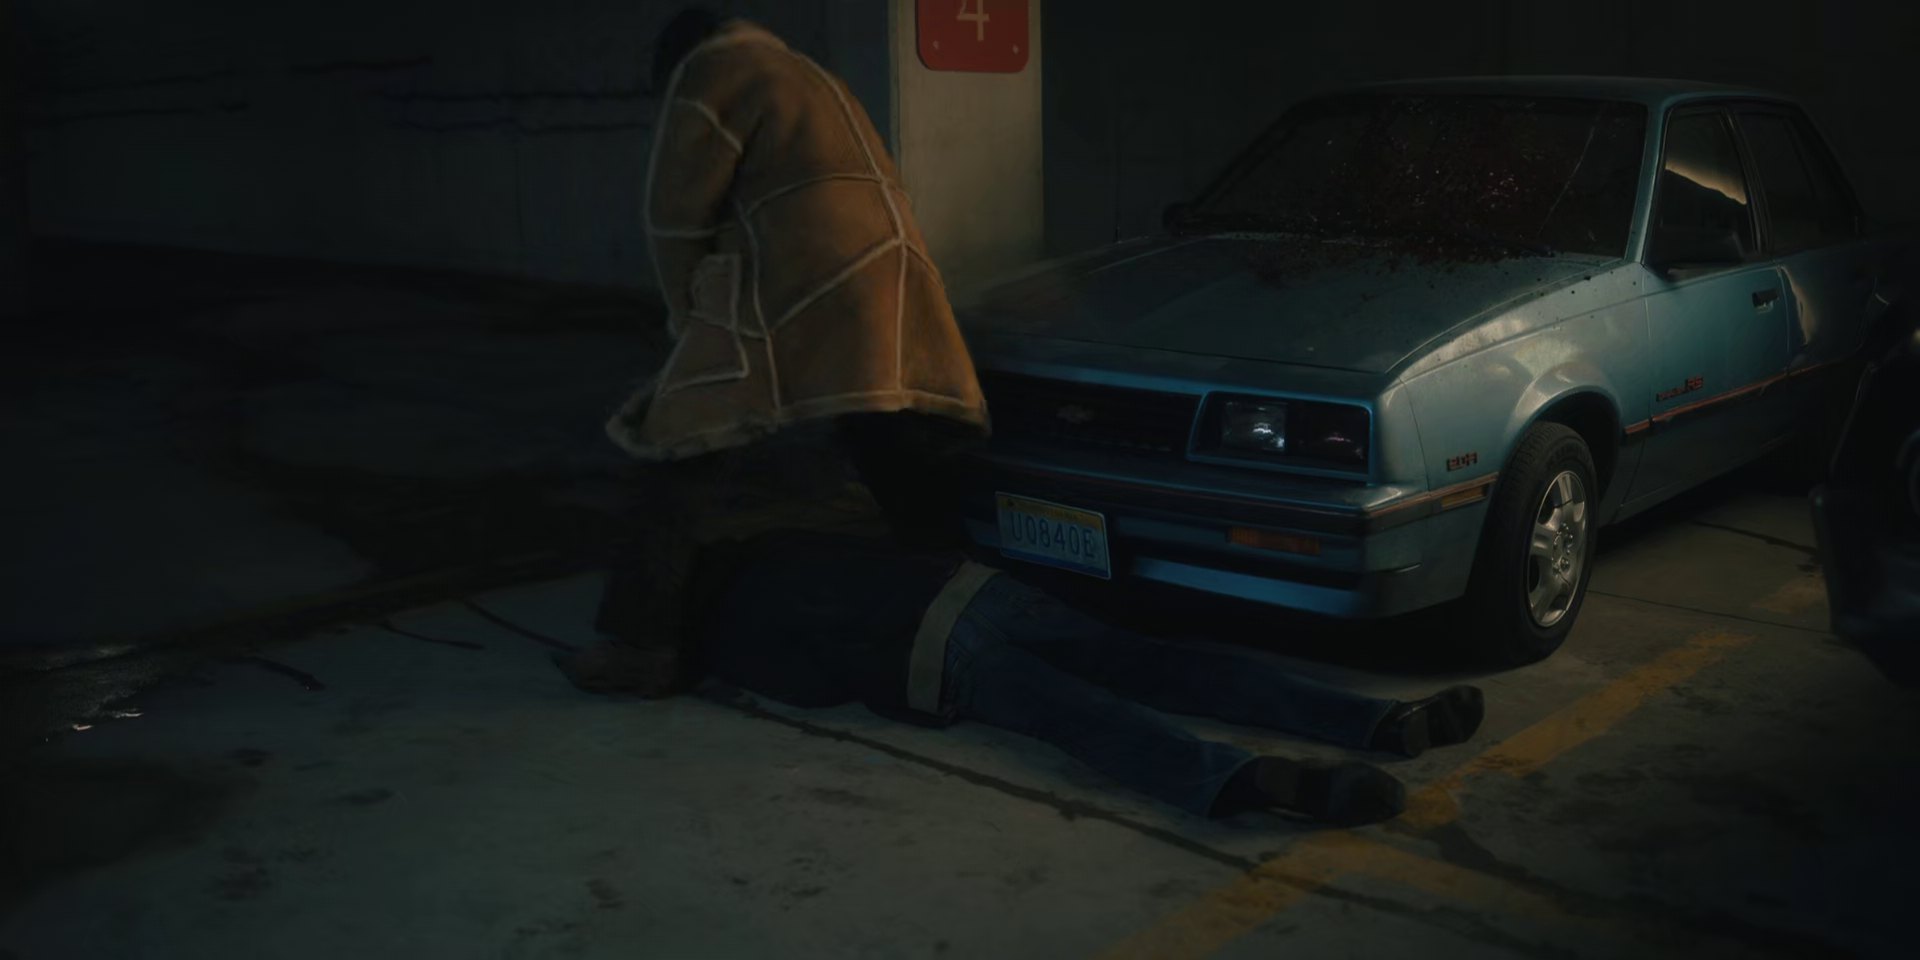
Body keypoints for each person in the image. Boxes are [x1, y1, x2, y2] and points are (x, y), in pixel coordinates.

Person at [561, 8, 991, 692]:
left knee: (675, 450)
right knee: (889, 439)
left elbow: (675, 216)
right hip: (888, 279)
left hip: (792, 276)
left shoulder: (712, 70)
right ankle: (967, 599)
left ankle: (638, 647)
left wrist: (689, 320)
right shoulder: (814, 77)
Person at [600, 528, 1486, 826]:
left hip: (931, 654)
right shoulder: (768, 547)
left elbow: (810, 686)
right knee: (1161, 663)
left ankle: (1250, 779)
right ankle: (1378, 720)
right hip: (977, 590)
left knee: (1085, 718)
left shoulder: (729, 636)